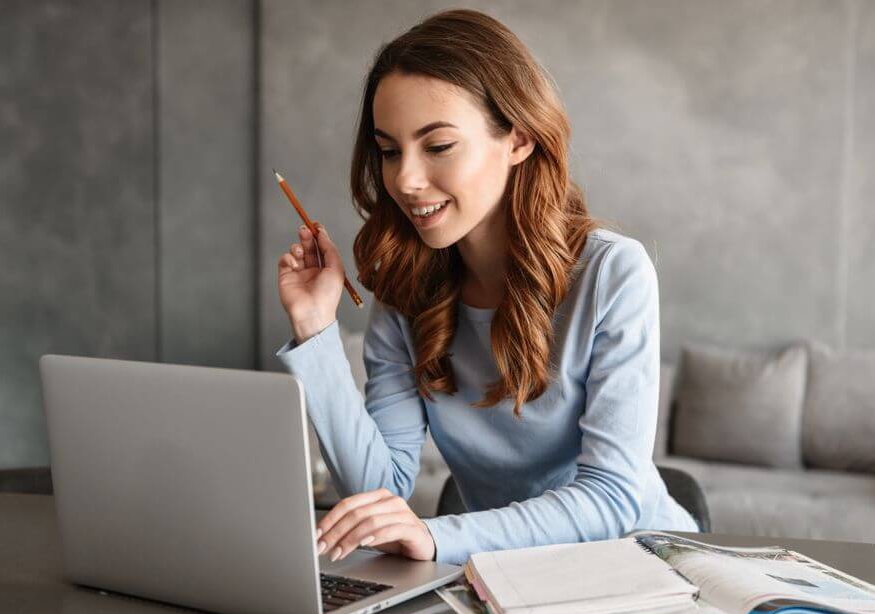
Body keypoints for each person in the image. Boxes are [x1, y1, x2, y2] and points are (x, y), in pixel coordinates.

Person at [276, 9, 698, 567]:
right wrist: (316, 329)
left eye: (439, 145)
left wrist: (437, 539)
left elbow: (611, 498)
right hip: (503, 580)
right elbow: (380, 490)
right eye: (389, 149)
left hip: (643, 567)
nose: (404, 179)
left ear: (518, 139)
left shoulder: (612, 274)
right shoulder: (406, 288)